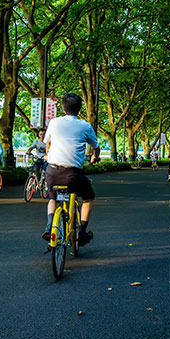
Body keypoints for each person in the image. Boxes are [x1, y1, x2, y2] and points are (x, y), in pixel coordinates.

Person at [42, 93, 100, 246]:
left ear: (62, 108)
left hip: (52, 172)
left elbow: (46, 141)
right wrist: (95, 157)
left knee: (52, 197)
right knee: (88, 197)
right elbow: (96, 147)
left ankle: (49, 226)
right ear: (80, 109)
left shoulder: (54, 122)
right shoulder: (85, 126)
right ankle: (81, 233)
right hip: (73, 175)